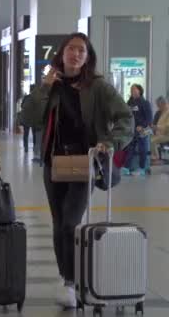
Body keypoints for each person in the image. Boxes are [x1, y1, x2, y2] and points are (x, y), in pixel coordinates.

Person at [32, 32, 132, 308]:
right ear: (62, 53)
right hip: (54, 163)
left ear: (88, 57)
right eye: (71, 49)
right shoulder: (50, 85)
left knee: (70, 223)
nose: (75, 54)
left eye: (82, 51)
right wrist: (43, 88)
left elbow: (125, 117)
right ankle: (66, 276)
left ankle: (71, 280)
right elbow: (27, 117)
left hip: (86, 163)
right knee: (57, 224)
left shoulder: (98, 88)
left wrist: (110, 143)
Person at [123, 84, 153, 176]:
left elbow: (149, 118)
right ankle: (126, 167)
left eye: (135, 89)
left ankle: (142, 168)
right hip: (132, 130)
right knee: (130, 148)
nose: (133, 91)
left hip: (143, 130)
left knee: (142, 149)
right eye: (131, 90)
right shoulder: (129, 103)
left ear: (140, 91)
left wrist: (142, 126)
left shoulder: (145, 103)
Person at [151, 96, 169, 164]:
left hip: (167, 134)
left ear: (163, 104)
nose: (158, 107)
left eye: (159, 105)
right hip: (161, 133)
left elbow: (167, 126)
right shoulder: (161, 112)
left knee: (152, 140)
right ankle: (155, 157)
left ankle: (156, 158)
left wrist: (157, 127)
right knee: (146, 136)